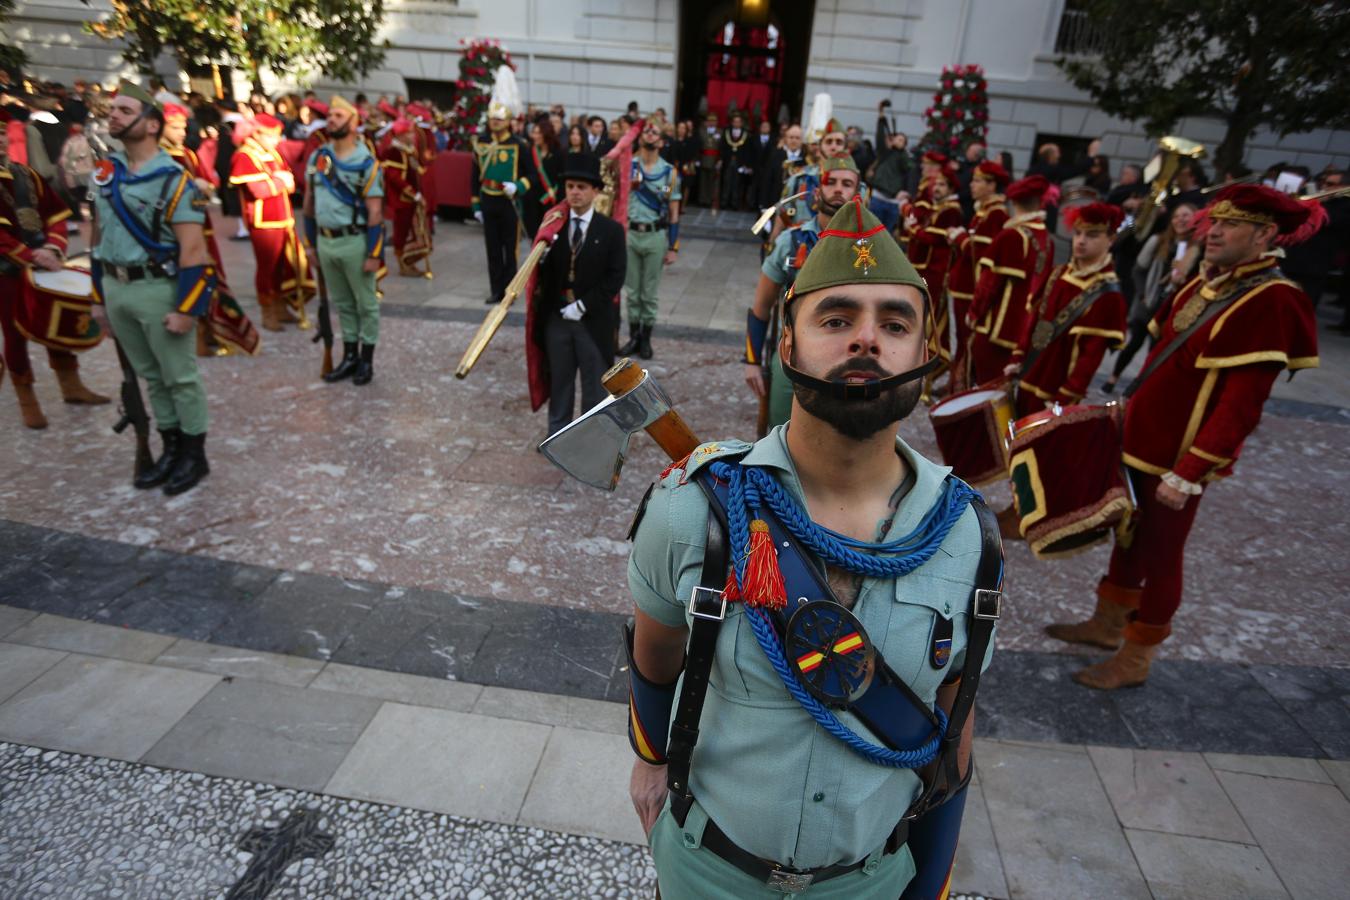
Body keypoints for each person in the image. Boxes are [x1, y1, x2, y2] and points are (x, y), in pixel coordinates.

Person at [629, 195, 997, 898]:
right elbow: (655, 657)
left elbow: (954, 722)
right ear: (787, 344)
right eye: (837, 319)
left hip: (868, 882)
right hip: (708, 872)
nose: (867, 339)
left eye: (894, 323)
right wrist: (649, 763)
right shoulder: (691, 510)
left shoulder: (966, 536)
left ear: (923, 355)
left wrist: (930, 887)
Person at [1047, 185, 1320, 690]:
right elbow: (1157, 363)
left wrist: (1191, 470)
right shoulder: (1204, 283)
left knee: (1161, 554)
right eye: (1213, 222)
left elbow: (1242, 405)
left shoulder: (1274, 300)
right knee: (1129, 539)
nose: (1212, 231)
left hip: (1178, 461)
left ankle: (1136, 657)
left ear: (1264, 235)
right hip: (1140, 441)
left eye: (1230, 225)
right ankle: (1108, 626)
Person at [88, 80, 216, 495]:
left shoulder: (176, 179)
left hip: (158, 289)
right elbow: (95, 238)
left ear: (151, 124)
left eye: (126, 111)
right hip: (116, 286)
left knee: (179, 377)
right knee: (150, 377)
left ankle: (194, 455)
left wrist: (186, 308)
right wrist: (98, 298)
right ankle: (170, 446)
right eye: (114, 110)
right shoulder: (106, 173)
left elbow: (194, 250)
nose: (115, 116)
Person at [0, 108, 108, 429]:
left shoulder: (26, 175)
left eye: (2, 133)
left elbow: (57, 215)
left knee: (55, 319)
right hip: (5, 271)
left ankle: (71, 386)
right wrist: (32, 256)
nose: (0, 140)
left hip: (42, 261)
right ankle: (27, 399)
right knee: (15, 331)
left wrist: (52, 247)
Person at [744, 157, 862, 431]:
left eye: (846, 184)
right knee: (781, 434)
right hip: (794, 357)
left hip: (847, 359)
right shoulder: (792, 241)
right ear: (817, 190)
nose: (838, 190)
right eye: (830, 182)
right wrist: (751, 361)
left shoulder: (869, 248)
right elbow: (761, 307)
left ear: (856, 194)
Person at [1006, 202, 1127, 418]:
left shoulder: (1109, 295)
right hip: (1028, 375)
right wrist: (1018, 357)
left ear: (1111, 239)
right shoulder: (1058, 273)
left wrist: (1063, 400)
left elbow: (1088, 361)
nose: (1081, 241)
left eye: (1092, 235)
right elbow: (1034, 320)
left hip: (1055, 395)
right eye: (1078, 233)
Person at [533, 154, 626, 436]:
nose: (574, 192)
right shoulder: (553, 225)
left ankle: (590, 439)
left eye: (581, 187)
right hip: (558, 317)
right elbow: (539, 278)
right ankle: (557, 436)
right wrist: (542, 256)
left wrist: (584, 305)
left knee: (594, 385)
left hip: (593, 319)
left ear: (595, 192)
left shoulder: (611, 230)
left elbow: (615, 277)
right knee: (560, 381)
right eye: (570, 186)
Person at [161, 103, 259, 357]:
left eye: (184, 126)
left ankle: (212, 331)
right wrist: (195, 188)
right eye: (176, 127)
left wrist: (204, 188)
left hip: (201, 227)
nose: (183, 132)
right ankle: (194, 337)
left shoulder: (188, 155)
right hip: (173, 233)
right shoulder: (158, 160)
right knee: (183, 278)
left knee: (210, 277)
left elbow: (207, 183)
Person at [304, 95, 386, 386]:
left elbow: (375, 211)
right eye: (331, 115)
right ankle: (349, 355)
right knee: (342, 303)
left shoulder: (366, 162)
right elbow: (309, 202)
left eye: (339, 116)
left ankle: (366, 360)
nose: (332, 119)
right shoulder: (319, 158)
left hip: (355, 241)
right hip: (325, 242)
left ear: (354, 123)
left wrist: (374, 252)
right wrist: (310, 244)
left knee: (365, 303)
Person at [964, 174, 1053, 386]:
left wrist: (974, 314)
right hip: (1023, 330)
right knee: (1000, 390)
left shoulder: (1011, 236)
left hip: (996, 329)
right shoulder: (1047, 238)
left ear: (1013, 203)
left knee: (984, 391)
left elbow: (988, 285)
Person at [228, 112, 312, 332]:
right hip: (263, 222)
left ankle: (282, 306)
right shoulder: (245, 156)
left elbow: (288, 181)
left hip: (283, 217)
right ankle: (268, 311)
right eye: (271, 136)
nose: (276, 141)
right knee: (268, 268)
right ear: (257, 134)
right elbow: (257, 190)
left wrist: (283, 182)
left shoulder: (271, 153)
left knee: (284, 266)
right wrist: (280, 181)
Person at [1103, 202, 1199, 392]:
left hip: (1173, 305)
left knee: (1156, 348)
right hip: (1149, 300)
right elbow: (1139, 270)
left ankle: (1141, 383)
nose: (1180, 220)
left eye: (1185, 215)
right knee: (1134, 342)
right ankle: (1113, 378)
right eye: (1176, 216)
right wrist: (1143, 295)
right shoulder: (1159, 241)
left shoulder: (1197, 248)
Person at [471, 69, 536, 305]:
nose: (494, 123)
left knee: (511, 249)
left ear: (508, 121)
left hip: (509, 202)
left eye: (498, 119)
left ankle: (510, 289)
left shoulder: (520, 145)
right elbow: (474, 175)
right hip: (488, 199)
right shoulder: (482, 143)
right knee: (492, 249)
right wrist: (476, 204)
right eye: (492, 119)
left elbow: (533, 175)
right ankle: (495, 289)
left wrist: (518, 186)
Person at [945, 160, 1010, 390]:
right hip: (962, 284)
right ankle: (956, 381)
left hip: (971, 287)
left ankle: (958, 386)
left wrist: (959, 238)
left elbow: (981, 253)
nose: (972, 185)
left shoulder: (995, 215)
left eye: (978, 180)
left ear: (992, 185)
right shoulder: (982, 211)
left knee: (965, 340)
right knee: (961, 340)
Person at [618, 122, 681, 361]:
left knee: (650, 292)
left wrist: (673, 246)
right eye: (647, 131)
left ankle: (646, 338)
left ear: (662, 141)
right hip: (631, 233)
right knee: (632, 290)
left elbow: (674, 212)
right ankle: (633, 336)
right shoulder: (628, 166)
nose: (650, 135)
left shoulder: (669, 173)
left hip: (655, 235)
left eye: (655, 132)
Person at [903, 161, 962, 385]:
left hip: (936, 272)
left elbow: (935, 238)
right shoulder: (939, 207)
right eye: (935, 184)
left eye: (942, 185)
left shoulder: (951, 211)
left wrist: (915, 229)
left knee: (929, 319)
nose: (936, 188)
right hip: (925, 269)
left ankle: (925, 366)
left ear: (951, 189)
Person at [379, 118, 431, 278]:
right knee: (402, 231)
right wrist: (413, 193)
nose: (412, 134)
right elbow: (394, 177)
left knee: (414, 229)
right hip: (403, 199)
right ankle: (403, 263)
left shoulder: (408, 150)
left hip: (412, 199)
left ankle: (409, 261)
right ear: (401, 134)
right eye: (408, 132)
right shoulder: (394, 152)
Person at [521, 117, 562, 240]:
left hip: (550, 201)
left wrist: (554, 193)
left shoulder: (558, 153)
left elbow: (560, 177)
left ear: (546, 134)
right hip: (532, 202)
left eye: (539, 133)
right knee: (534, 237)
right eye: (534, 132)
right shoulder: (529, 152)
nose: (535, 136)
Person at [717, 113, 753, 212]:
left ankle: (735, 203)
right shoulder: (726, 132)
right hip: (728, 161)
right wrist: (720, 159)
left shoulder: (746, 134)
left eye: (738, 122)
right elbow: (722, 146)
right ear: (732, 122)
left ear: (741, 123)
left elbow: (747, 150)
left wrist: (746, 164)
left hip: (740, 162)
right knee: (726, 181)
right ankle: (724, 202)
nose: (736, 123)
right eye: (735, 121)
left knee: (737, 183)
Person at [696, 113, 720, 208]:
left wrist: (719, 160)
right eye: (710, 121)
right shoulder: (702, 131)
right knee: (703, 181)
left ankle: (709, 200)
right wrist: (697, 159)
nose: (711, 123)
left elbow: (721, 147)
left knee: (712, 181)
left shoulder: (719, 132)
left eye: (713, 121)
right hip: (703, 158)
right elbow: (698, 146)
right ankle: (702, 199)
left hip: (714, 159)